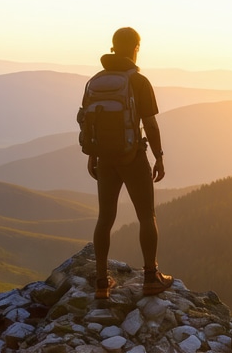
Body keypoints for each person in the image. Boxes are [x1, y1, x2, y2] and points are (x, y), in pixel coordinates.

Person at [84, 27, 173, 299]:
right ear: (136, 47)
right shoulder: (138, 81)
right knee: (147, 215)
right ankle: (151, 277)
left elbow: (91, 123)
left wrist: (93, 155)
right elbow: (150, 123)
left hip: (106, 158)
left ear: (113, 47)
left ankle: (101, 282)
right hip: (133, 156)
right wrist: (158, 156)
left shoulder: (95, 81)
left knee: (105, 218)